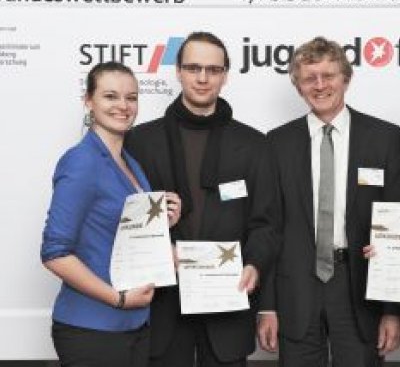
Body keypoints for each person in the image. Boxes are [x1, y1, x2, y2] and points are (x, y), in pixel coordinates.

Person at [124, 32, 279, 367]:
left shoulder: (254, 145)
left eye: (213, 69)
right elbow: (122, 226)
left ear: (225, 75)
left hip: (227, 305)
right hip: (161, 304)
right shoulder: (139, 141)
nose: (203, 77)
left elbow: (265, 224)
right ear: (178, 71)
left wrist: (255, 264)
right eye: (193, 67)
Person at [257, 36, 400, 367]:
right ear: (298, 87)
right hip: (295, 288)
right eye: (309, 78)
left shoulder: (386, 139)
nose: (319, 85)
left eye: (329, 75)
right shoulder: (276, 143)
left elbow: (395, 226)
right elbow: (268, 227)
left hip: (360, 288)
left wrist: (392, 309)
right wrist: (267, 307)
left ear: (345, 79)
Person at [41, 61, 181, 367]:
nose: (123, 106)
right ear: (88, 101)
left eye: (131, 98)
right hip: (91, 328)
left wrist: (161, 225)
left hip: (135, 325)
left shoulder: (130, 162)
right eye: (110, 96)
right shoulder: (81, 161)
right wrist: (118, 298)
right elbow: (54, 253)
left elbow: (119, 235)